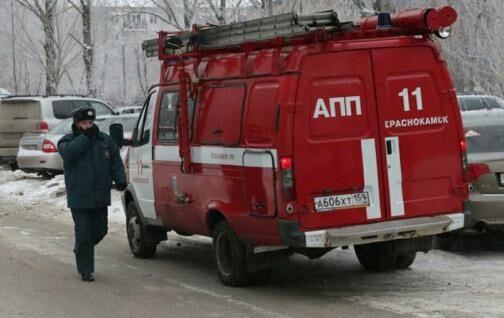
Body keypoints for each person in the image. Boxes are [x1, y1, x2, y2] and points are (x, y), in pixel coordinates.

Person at [58, 107, 127, 282]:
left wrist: (120, 179)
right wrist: (85, 138)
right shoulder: (67, 140)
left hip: (100, 195)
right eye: (84, 123)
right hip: (79, 197)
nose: (88, 126)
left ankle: (82, 249)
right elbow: (69, 154)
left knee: (100, 230)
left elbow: (115, 161)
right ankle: (86, 270)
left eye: (90, 123)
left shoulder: (104, 140)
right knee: (84, 233)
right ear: (76, 124)